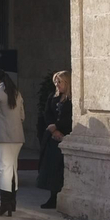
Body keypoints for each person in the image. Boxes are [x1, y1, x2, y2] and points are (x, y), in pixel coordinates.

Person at [0, 69, 26, 217]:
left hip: (3, 136)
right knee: (13, 169)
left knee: (4, 170)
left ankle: (5, 204)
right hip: (17, 136)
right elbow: (22, 116)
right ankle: (12, 203)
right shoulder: (16, 93)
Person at [38, 71, 71, 210]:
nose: (57, 85)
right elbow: (48, 113)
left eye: (60, 82)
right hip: (53, 137)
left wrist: (59, 128)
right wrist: (53, 129)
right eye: (55, 82)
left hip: (66, 134)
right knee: (51, 167)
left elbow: (69, 117)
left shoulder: (71, 100)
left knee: (60, 169)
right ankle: (52, 197)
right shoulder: (53, 97)